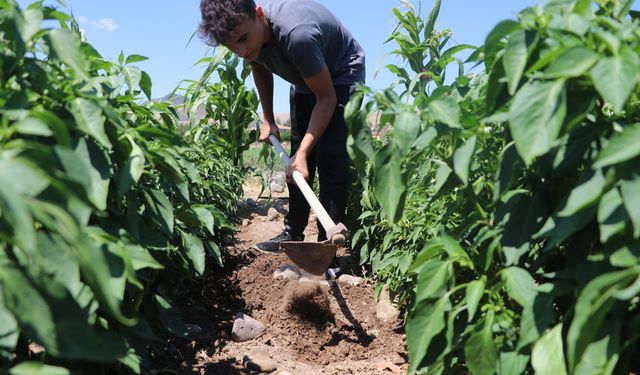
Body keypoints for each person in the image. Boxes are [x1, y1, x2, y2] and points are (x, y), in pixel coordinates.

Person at [198, 0, 365, 252]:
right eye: (231, 46)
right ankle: (293, 233)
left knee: (330, 155)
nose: (241, 51)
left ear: (259, 15)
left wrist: (305, 152)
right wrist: (269, 119)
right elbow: (259, 66)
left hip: (341, 73)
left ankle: (327, 245)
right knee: (295, 161)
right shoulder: (248, 38)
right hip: (304, 77)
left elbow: (327, 98)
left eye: (243, 39)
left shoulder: (298, 36)